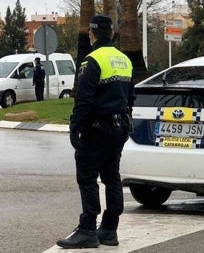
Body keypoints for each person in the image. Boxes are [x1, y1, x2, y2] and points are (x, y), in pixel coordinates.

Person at [56, 14, 135, 249]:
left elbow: (84, 100)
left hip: (97, 129)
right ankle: (110, 230)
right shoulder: (125, 61)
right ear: (111, 34)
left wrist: (75, 127)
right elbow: (131, 97)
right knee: (112, 177)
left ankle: (88, 229)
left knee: (88, 176)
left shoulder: (91, 61)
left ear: (92, 34)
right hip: (120, 127)